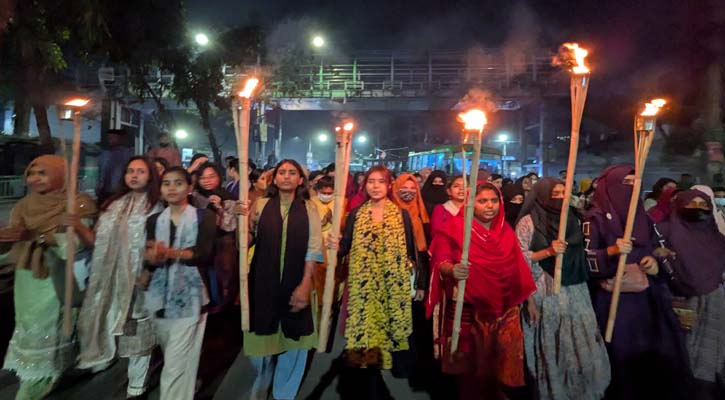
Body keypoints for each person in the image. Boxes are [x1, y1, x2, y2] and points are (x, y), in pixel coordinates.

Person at [584, 165, 691, 400]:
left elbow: (654, 249)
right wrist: (611, 251)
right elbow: (585, 259)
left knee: (650, 358)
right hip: (612, 303)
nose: (632, 189)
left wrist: (652, 262)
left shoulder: (643, 218)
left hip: (646, 301)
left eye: (636, 183)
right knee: (619, 359)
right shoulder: (595, 219)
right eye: (626, 183)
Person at [427, 182, 536, 400]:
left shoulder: (504, 229)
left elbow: (518, 268)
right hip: (470, 309)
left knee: (503, 365)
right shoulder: (453, 228)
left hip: (506, 309)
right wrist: (452, 269)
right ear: (470, 204)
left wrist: (529, 301)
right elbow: (441, 260)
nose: (490, 206)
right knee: (472, 369)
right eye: (482, 201)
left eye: (494, 201)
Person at [0, 155, 97, 399]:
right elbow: (13, 249)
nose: (34, 179)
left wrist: (39, 237)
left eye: (43, 173)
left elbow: (74, 246)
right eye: (31, 174)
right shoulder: (24, 205)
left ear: (60, 174)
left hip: (57, 279)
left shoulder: (78, 202)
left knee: (50, 335)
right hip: (27, 278)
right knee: (28, 330)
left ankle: (34, 387)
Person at [515, 178, 610, 400]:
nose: (560, 198)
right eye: (554, 194)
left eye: (563, 193)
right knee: (553, 344)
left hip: (575, 289)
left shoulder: (573, 219)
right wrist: (547, 252)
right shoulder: (528, 223)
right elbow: (518, 259)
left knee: (581, 342)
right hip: (545, 290)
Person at [77, 156, 162, 398]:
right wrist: (77, 225)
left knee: (136, 329)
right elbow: (96, 242)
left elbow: (156, 247)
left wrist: (146, 271)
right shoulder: (112, 205)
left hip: (138, 280)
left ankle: (137, 383)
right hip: (108, 277)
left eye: (141, 171)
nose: (134, 175)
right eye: (130, 171)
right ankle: (101, 356)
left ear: (150, 177)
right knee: (105, 317)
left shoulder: (155, 207)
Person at [332, 165, 419, 399]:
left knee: (386, 342)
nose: (376, 186)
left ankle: (377, 377)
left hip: (392, 291)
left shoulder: (401, 215)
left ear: (389, 185)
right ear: (365, 184)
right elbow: (344, 247)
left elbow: (410, 253)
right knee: (363, 347)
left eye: (381, 181)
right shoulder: (356, 215)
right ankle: (365, 381)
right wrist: (334, 246)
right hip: (363, 290)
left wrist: (413, 282)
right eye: (371, 181)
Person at [242, 159, 323, 400]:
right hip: (263, 282)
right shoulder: (260, 205)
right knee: (261, 343)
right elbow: (245, 243)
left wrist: (305, 284)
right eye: (281, 172)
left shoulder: (310, 209)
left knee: (294, 343)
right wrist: (241, 221)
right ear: (274, 178)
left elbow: (313, 248)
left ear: (300, 180)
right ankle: (260, 386)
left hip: (297, 280)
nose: (286, 176)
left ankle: (283, 394)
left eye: (292, 173)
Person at [138, 167, 215, 400]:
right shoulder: (153, 221)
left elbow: (203, 254)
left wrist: (169, 252)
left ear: (189, 188)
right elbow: (151, 255)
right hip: (158, 297)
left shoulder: (204, 217)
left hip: (190, 298)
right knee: (182, 359)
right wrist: (148, 264)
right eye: (166, 183)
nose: (172, 188)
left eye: (178, 183)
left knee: (173, 365)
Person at [655, 189, 725, 400]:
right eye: (691, 204)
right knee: (682, 355)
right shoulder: (662, 232)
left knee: (712, 354)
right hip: (678, 301)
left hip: (715, 302)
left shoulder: (718, 237)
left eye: (702, 205)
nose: (697, 209)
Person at [97, 129, 134, 205]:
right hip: (103, 190)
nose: (110, 140)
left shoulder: (126, 154)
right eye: (109, 137)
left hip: (118, 190)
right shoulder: (104, 154)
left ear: (120, 139)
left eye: (113, 137)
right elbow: (101, 171)